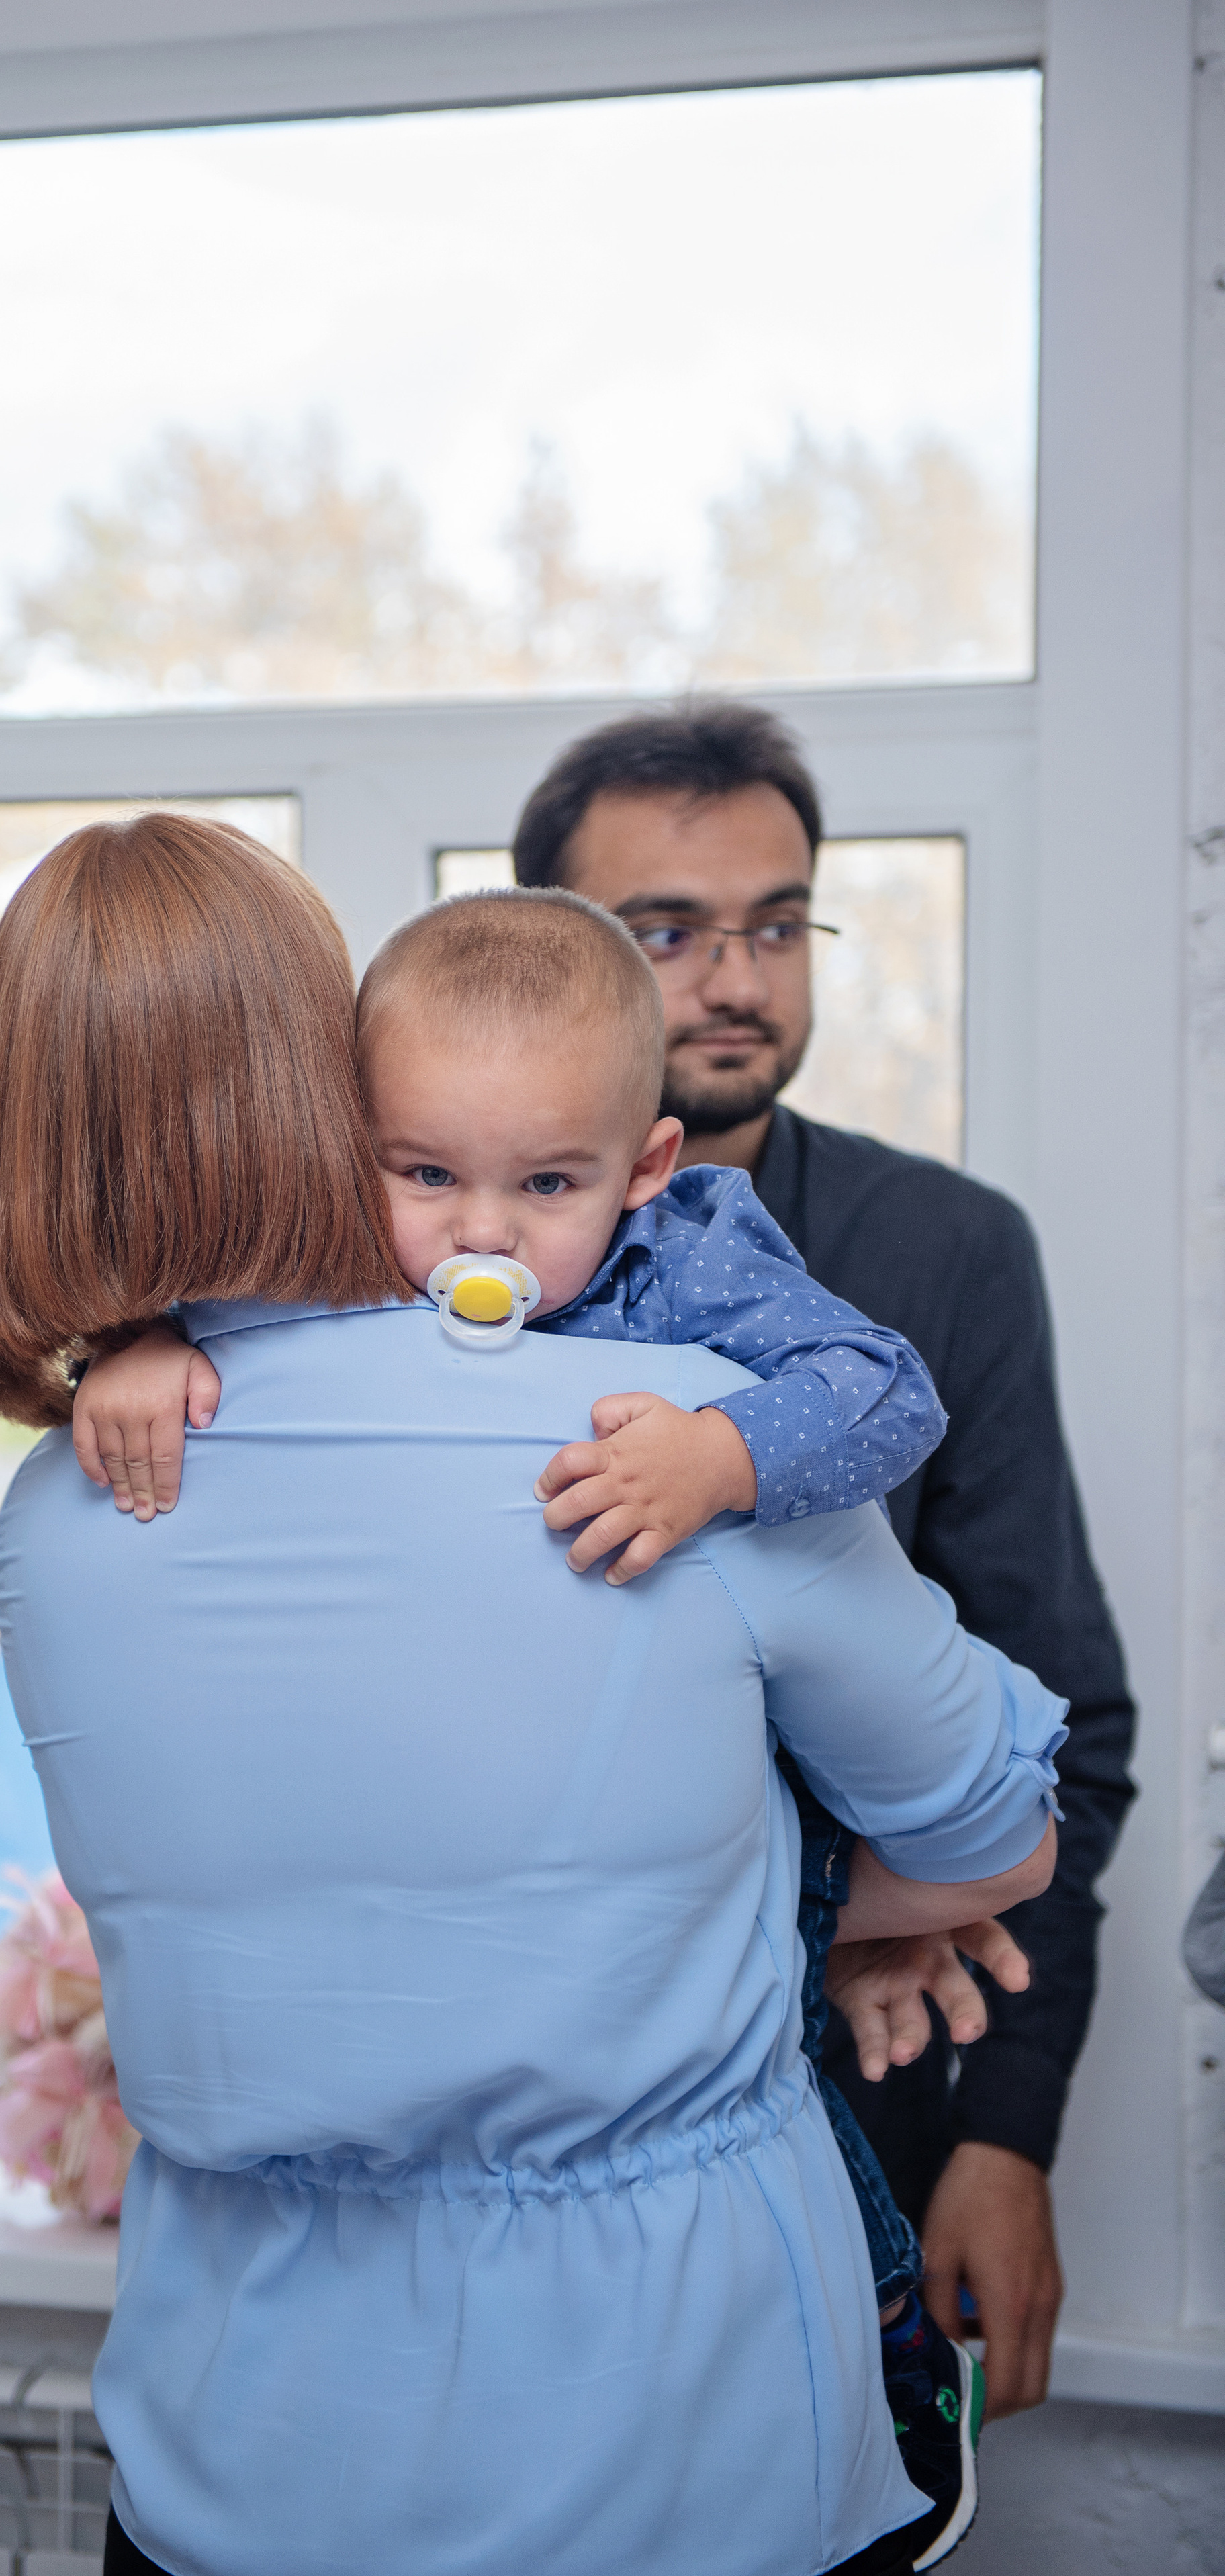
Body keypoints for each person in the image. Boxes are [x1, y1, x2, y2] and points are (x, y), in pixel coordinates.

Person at [0, 811, 1063, 2576]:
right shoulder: (666, 1433)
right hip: (684, 2450)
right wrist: (802, 1913)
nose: (486, 1218)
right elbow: (998, 1839)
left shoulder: (65, 1505)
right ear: (330, 1082)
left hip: (238, 2459)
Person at [510, 699, 1139, 2419]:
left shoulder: (944, 1250)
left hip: (873, 2093)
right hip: (523, 2090)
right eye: (665, 931)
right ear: (551, 951)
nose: (735, 979)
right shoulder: (434, 1262)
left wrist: (1005, 2135)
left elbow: (1064, 1712)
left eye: (776, 922)